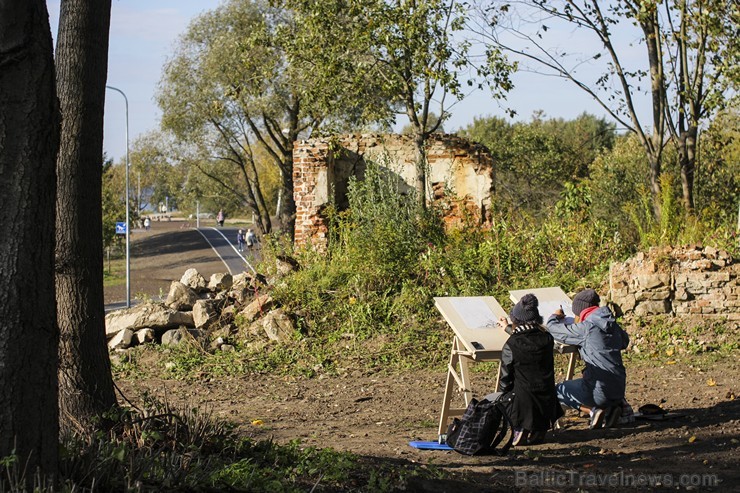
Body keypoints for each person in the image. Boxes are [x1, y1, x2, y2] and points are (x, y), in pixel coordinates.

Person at [547, 289, 629, 429]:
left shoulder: (586, 328)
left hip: (599, 390)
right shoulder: (612, 324)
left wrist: (554, 316)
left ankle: (593, 411)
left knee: (558, 390)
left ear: (580, 311)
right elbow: (624, 341)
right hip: (619, 388)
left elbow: (553, 330)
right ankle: (610, 410)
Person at [491, 294, 563, 446]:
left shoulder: (512, 344)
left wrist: (502, 397)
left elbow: (505, 378)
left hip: (523, 400)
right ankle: (539, 429)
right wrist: (507, 328)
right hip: (547, 398)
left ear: (515, 320)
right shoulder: (547, 339)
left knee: (503, 396)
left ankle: (520, 427)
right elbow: (529, 335)